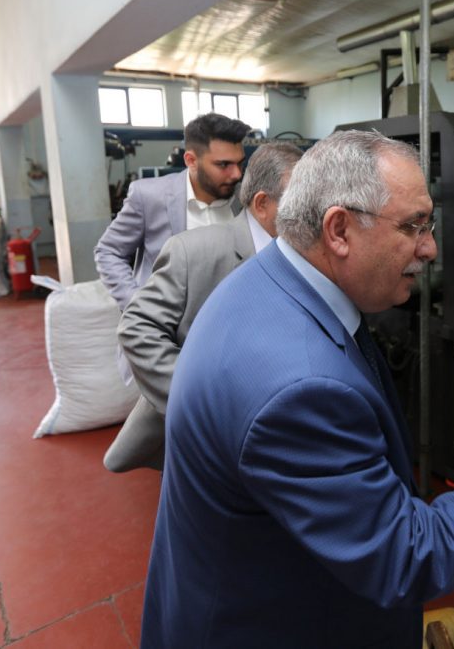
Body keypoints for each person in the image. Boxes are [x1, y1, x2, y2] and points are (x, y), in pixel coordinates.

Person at [141, 129, 454, 648]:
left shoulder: (268, 281)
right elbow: (406, 553)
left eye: (429, 224)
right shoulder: (298, 389)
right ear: (339, 230)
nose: (430, 247)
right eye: (413, 226)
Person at [102, 142, 303, 473]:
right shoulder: (194, 252)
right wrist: (203, 404)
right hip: (206, 437)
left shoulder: (303, 255)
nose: (313, 212)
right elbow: (137, 329)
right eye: (302, 201)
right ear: (262, 204)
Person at [94, 112, 252, 309]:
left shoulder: (245, 199)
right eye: (224, 164)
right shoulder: (150, 197)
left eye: (240, 163)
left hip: (228, 314)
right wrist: (136, 305)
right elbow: (109, 251)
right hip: (168, 320)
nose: (236, 174)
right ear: (191, 160)